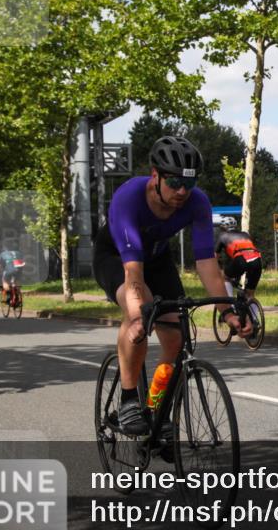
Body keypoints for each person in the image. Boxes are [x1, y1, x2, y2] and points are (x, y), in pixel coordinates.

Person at [93, 136, 250, 435]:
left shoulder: (197, 202)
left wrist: (226, 311)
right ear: (156, 176)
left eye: (189, 185)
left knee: (176, 335)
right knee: (139, 310)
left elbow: (206, 262)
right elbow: (134, 274)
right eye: (175, 182)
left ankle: (156, 409)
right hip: (117, 258)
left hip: (157, 258)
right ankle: (128, 401)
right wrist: (139, 315)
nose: (182, 192)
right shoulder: (129, 198)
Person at [215, 215, 263, 300]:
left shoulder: (223, 236)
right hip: (257, 259)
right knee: (250, 294)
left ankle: (229, 303)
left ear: (223, 227)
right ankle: (254, 312)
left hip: (241, 259)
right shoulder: (245, 234)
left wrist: (217, 269)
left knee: (226, 277)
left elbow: (216, 257)